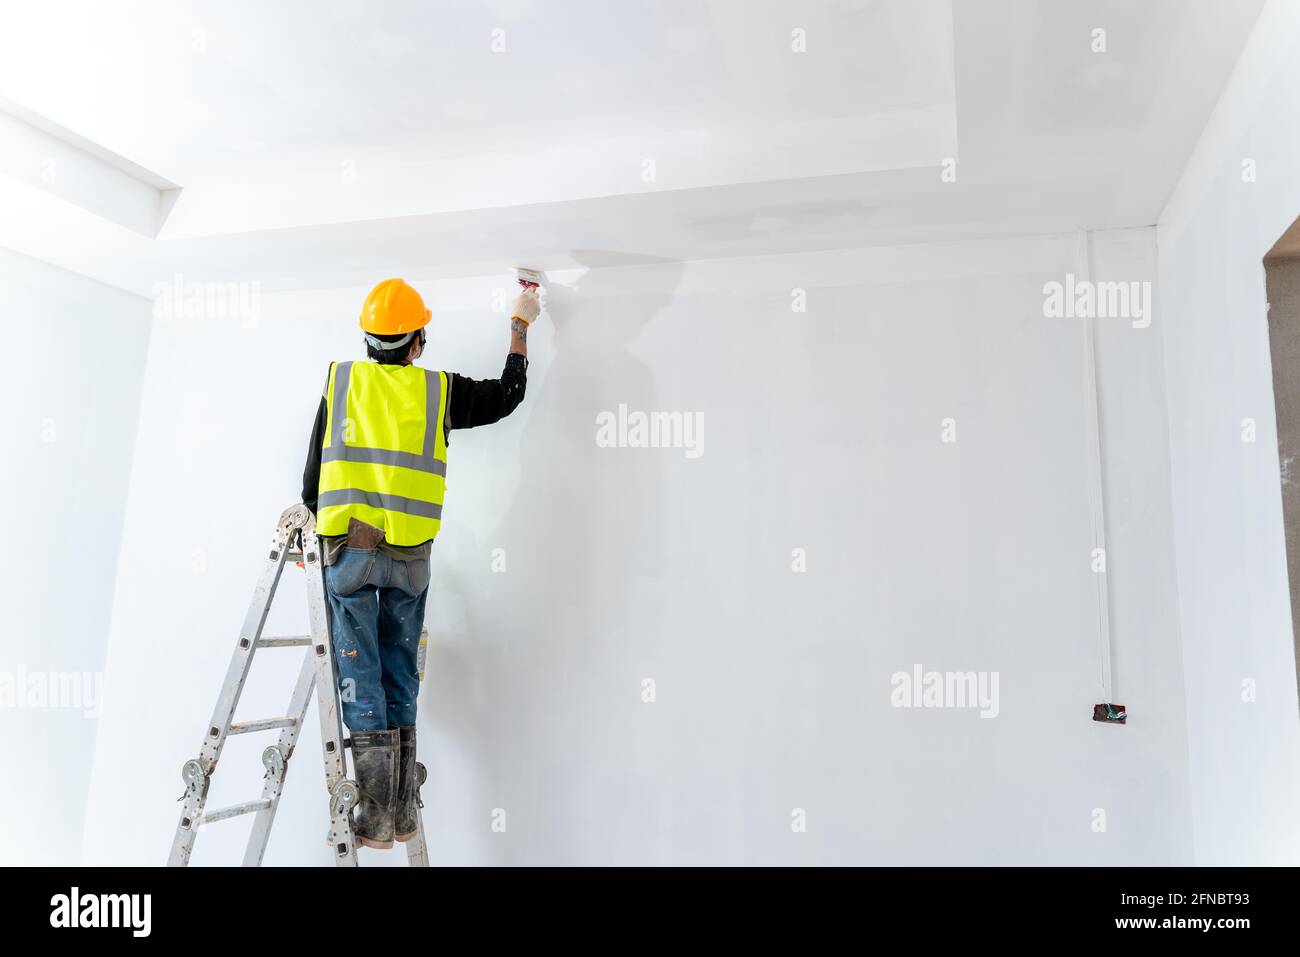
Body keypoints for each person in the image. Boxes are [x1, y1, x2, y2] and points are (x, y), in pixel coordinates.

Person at [301, 276, 539, 849]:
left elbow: (314, 471)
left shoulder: (343, 382)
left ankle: (376, 820)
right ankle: (402, 814)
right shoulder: (437, 392)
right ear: (417, 342)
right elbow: (508, 396)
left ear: (368, 341)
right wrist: (520, 323)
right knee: (400, 669)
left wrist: (309, 519)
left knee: (361, 674)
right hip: (410, 557)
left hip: (351, 550)